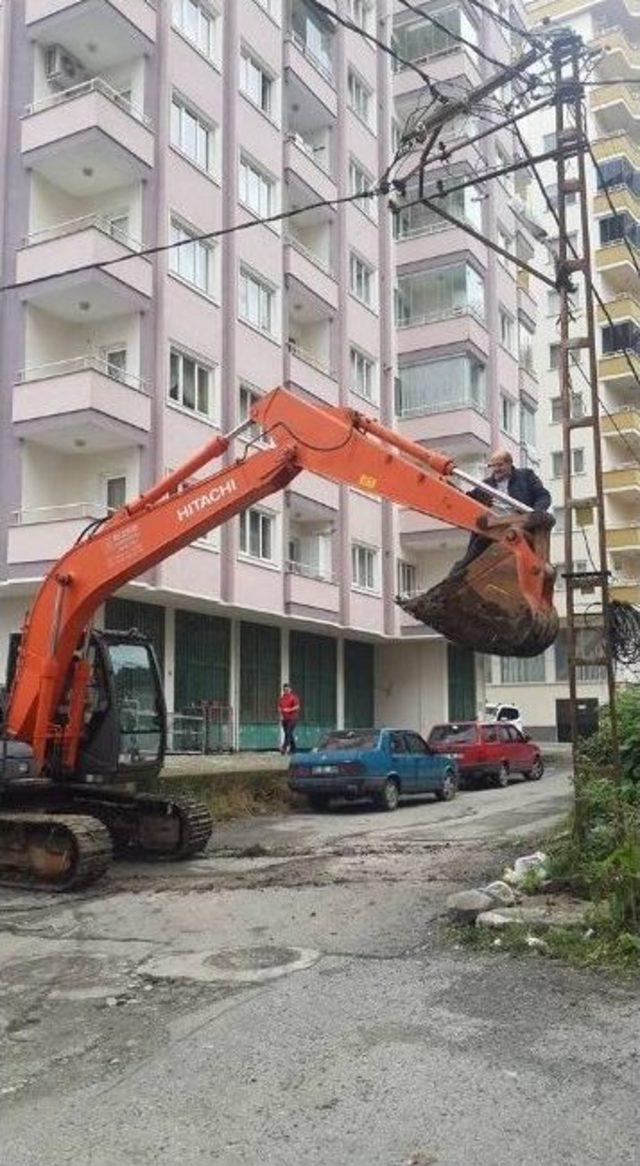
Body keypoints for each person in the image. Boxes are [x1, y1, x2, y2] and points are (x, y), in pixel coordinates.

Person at [450, 449, 553, 577]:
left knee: (540, 520)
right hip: (494, 526)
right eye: (493, 466)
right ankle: (456, 576)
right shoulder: (486, 485)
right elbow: (469, 498)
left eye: (500, 465)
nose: (496, 469)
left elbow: (543, 496)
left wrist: (536, 512)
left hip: (521, 522)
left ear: (509, 463)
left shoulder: (526, 476)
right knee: (474, 552)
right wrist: (450, 487)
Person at [278, 683, 301, 755]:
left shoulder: (293, 697)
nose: (286, 691)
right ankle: (293, 749)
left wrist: (289, 709)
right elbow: (279, 707)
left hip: (293, 718)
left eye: (287, 689)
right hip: (285, 719)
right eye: (284, 690)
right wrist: (280, 715)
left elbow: (297, 706)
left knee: (288, 732)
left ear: (290, 690)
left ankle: (284, 748)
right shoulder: (282, 698)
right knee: (289, 734)